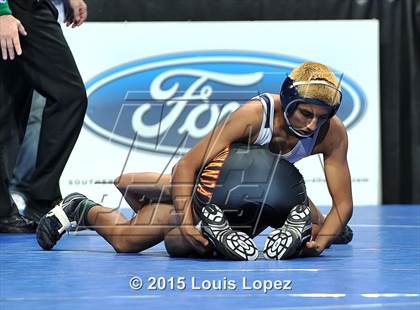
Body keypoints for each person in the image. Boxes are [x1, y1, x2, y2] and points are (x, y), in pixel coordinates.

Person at [36, 62, 354, 260]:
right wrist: (188, 222)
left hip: (266, 195)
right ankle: (81, 207)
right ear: (287, 101)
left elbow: (344, 204)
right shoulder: (255, 115)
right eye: (306, 113)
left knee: (321, 227)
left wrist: (323, 241)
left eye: (321, 117)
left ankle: (306, 227)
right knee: (128, 240)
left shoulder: (331, 133)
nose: (312, 125)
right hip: (212, 186)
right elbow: (186, 167)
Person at [0, 0, 88, 233]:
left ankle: (2, 211)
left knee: (8, 110)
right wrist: (1, 12)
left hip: (18, 9)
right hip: (19, 9)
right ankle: (42, 198)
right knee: (69, 95)